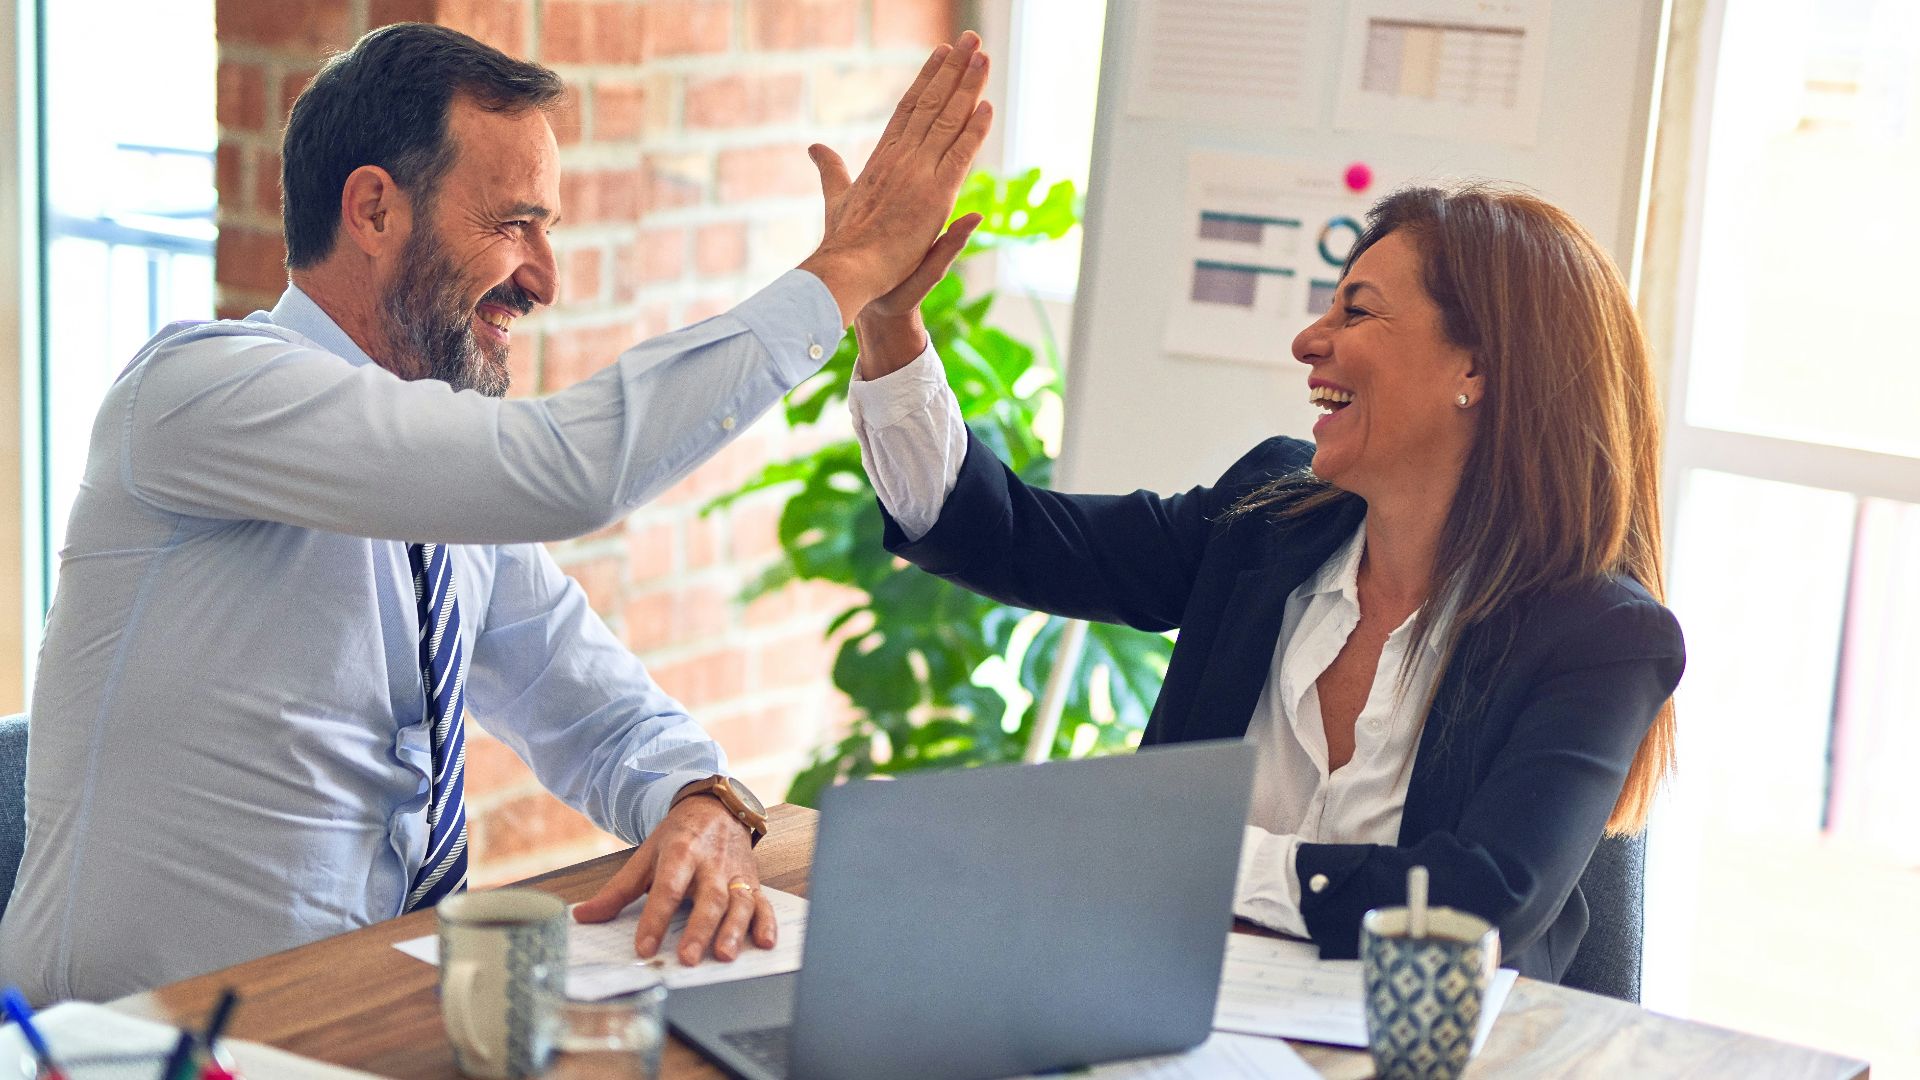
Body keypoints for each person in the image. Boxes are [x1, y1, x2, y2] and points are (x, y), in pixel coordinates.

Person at [0, 22, 993, 1003]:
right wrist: (846, 273)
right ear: (375, 209)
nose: (545, 279)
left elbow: (594, 707)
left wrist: (703, 798)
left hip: (363, 1023)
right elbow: (570, 470)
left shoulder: (441, 491)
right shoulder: (200, 392)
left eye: (548, 230)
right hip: (135, 1048)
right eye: (515, 222)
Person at [844, 184, 1684, 982]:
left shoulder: (1601, 637)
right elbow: (1010, 536)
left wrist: (1192, 855)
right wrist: (890, 325)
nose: (1309, 340)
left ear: (1477, 368)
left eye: (1355, 310)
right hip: (1174, 1023)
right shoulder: (1268, 519)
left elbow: (1476, 905)